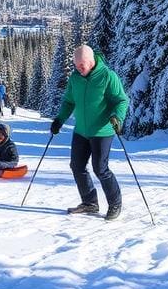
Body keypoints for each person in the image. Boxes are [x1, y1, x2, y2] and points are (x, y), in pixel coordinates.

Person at [51, 45, 128, 221]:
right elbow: (69, 101)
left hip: (102, 131)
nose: (79, 69)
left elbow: (121, 100)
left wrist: (118, 117)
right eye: (76, 66)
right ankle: (90, 203)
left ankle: (115, 203)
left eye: (82, 65)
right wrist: (59, 120)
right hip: (81, 131)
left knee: (100, 168)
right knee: (77, 166)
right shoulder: (75, 78)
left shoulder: (108, 76)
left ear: (91, 61)